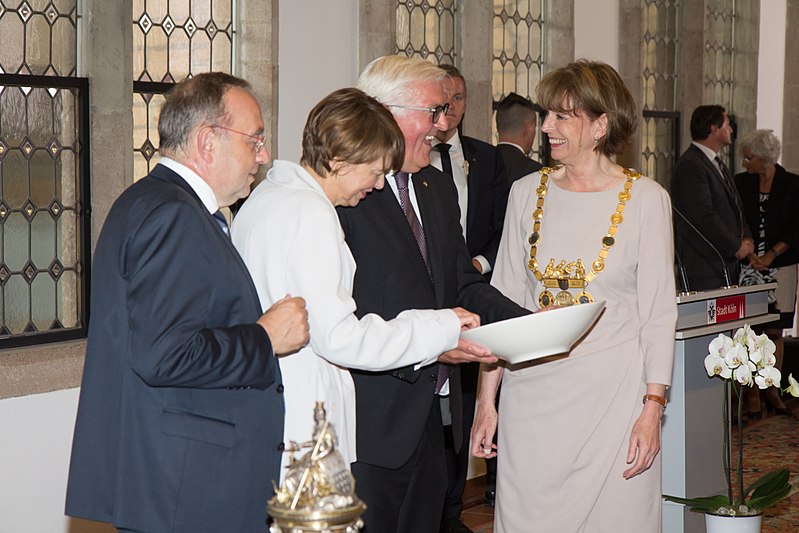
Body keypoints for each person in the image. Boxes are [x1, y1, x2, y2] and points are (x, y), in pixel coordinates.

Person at [65, 73, 310, 533]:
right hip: (187, 486)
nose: (263, 154)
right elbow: (165, 353)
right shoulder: (174, 216)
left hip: (178, 480)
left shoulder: (153, 203)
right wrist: (264, 338)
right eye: (255, 138)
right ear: (207, 142)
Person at [231, 87, 484, 474]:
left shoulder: (269, 195)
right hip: (304, 417)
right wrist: (441, 326)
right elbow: (341, 339)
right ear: (339, 160)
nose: (380, 184)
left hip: (272, 405)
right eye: (376, 170)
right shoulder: (310, 213)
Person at [471, 60, 677, 532]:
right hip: (533, 402)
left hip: (614, 403)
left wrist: (653, 409)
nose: (547, 127)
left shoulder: (647, 200)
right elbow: (502, 303)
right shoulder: (525, 193)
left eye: (563, 116)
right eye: (547, 115)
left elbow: (658, 314)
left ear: (601, 125)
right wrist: (488, 401)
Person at [337, 55, 529, 533]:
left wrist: (527, 321)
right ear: (384, 110)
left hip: (437, 418)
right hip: (370, 424)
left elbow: (461, 283)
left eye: (446, 111)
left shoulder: (437, 186)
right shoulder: (346, 195)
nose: (443, 127)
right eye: (433, 112)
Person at [734, 129, 799, 418]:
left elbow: (796, 226)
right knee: (750, 329)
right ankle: (751, 394)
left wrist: (771, 254)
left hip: (781, 264)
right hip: (748, 264)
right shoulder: (740, 183)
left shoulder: (792, 184)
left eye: (750, 157)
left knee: (775, 329)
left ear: (766, 158)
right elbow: (734, 219)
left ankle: (771, 389)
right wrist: (750, 254)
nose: (746, 162)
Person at [670, 104, 753, 291]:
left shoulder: (715, 162)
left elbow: (735, 206)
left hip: (724, 263)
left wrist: (746, 238)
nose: (731, 129)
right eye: (727, 124)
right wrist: (735, 246)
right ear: (714, 129)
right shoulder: (691, 165)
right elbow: (703, 215)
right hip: (706, 265)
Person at [495, 92, 543, 184]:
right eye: (534, 126)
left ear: (498, 126)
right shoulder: (535, 173)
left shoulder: (480, 165)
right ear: (528, 128)